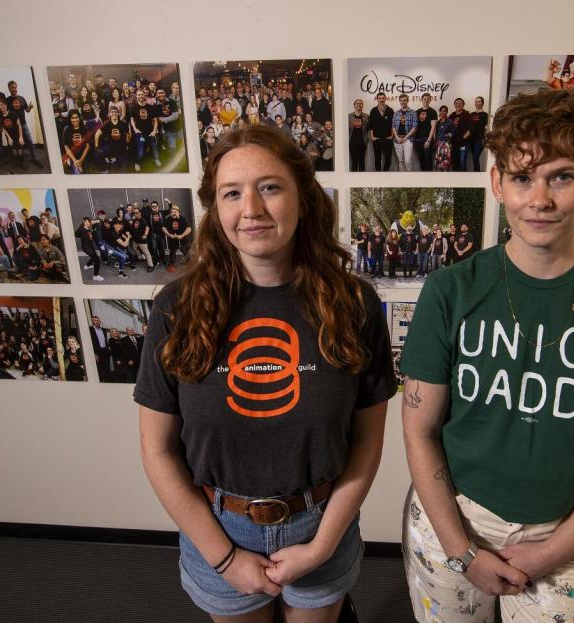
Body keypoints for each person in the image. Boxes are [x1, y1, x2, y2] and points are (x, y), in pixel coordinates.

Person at [399, 89, 574, 623]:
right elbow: (419, 429)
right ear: (497, 182)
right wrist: (462, 549)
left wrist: (554, 550)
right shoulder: (450, 289)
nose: (539, 199)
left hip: (565, 533)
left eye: (562, 176)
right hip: (453, 522)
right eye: (523, 178)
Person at [135, 125, 394, 622]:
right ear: (216, 209)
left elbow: (367, 444)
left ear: (303, 196)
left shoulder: (354, 305)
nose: (251, 208)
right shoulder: (177, 308)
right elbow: (157, 450)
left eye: (270, 187)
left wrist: (320, 547)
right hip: (218, 531)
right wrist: (226, 557)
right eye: (232, 193)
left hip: (323, 526)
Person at [368, 92, 394, 171]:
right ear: (377, 99)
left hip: (388, 138)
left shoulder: (390, 110)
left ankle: (385, 175)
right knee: (377, 159)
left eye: (383, 98)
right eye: (380, 98)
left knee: (388, 159)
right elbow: (371, 125)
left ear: (385, 98)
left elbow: (393, 125)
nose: (381, 100)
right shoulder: (373, 111)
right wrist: (372, 136)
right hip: (377, 138)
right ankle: (378, 177)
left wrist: (392, 135)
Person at [162, 204, 192, 272]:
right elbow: (163, 228)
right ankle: (171, 265)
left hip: (183, 238)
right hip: (172, 238)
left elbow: (189, 229)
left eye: (175, 212)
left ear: (178, 212)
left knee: (186, 251)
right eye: (172, 212)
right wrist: (169, 235)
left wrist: (182, 235)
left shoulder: (183, 219)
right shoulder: (168, 219)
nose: (173, 213)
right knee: (172, 252)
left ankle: (190, 263)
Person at [413, 94, 438, 172]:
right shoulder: (417, 112)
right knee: (421, 159)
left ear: (430, 100)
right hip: (418, 139)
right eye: (424, 99)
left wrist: (429, 140)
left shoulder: (433, 112)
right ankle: (423, 179)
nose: (426, 100)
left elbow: (433, 127)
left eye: (428, 99)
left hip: (427, 139)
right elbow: (415, 126)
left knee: (428, 160)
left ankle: (429, 180)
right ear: (422, 99)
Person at [467, 97, 489, 172]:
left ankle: (477, 174)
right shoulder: (471, 114)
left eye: (479, 102)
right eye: (476, 101)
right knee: (474, 158)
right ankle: (476, 174)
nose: (477, 103)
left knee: (475, 158)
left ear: (482, 103)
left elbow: (487, 128)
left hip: (480, 139)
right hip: (471, 139)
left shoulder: (486, 115)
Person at [348, 99, 369, 172]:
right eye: (357, 103)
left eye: (360, 104)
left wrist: (367, 139)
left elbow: (368, 129)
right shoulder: (349, 116)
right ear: (354, 105)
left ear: (362, 105)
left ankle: (362, 181)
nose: (359, 105)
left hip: (362, 142)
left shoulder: (366, 116)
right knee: (354, 162)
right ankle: (353, 181)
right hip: (352, 142)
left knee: (362, 162)